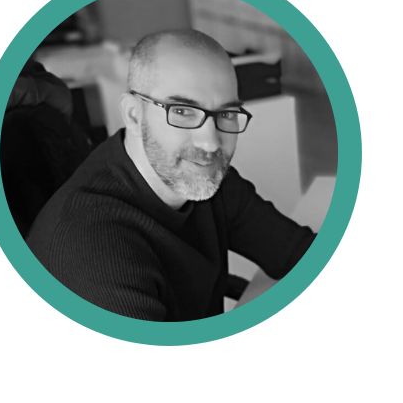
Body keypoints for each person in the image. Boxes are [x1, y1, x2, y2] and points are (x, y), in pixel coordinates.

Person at [26, 29, 315, 321]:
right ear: (134, 115)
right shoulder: (92, 250)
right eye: (183, 111)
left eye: (226, 114)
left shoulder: (210, 178)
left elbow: (299, 254)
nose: (210, 143)